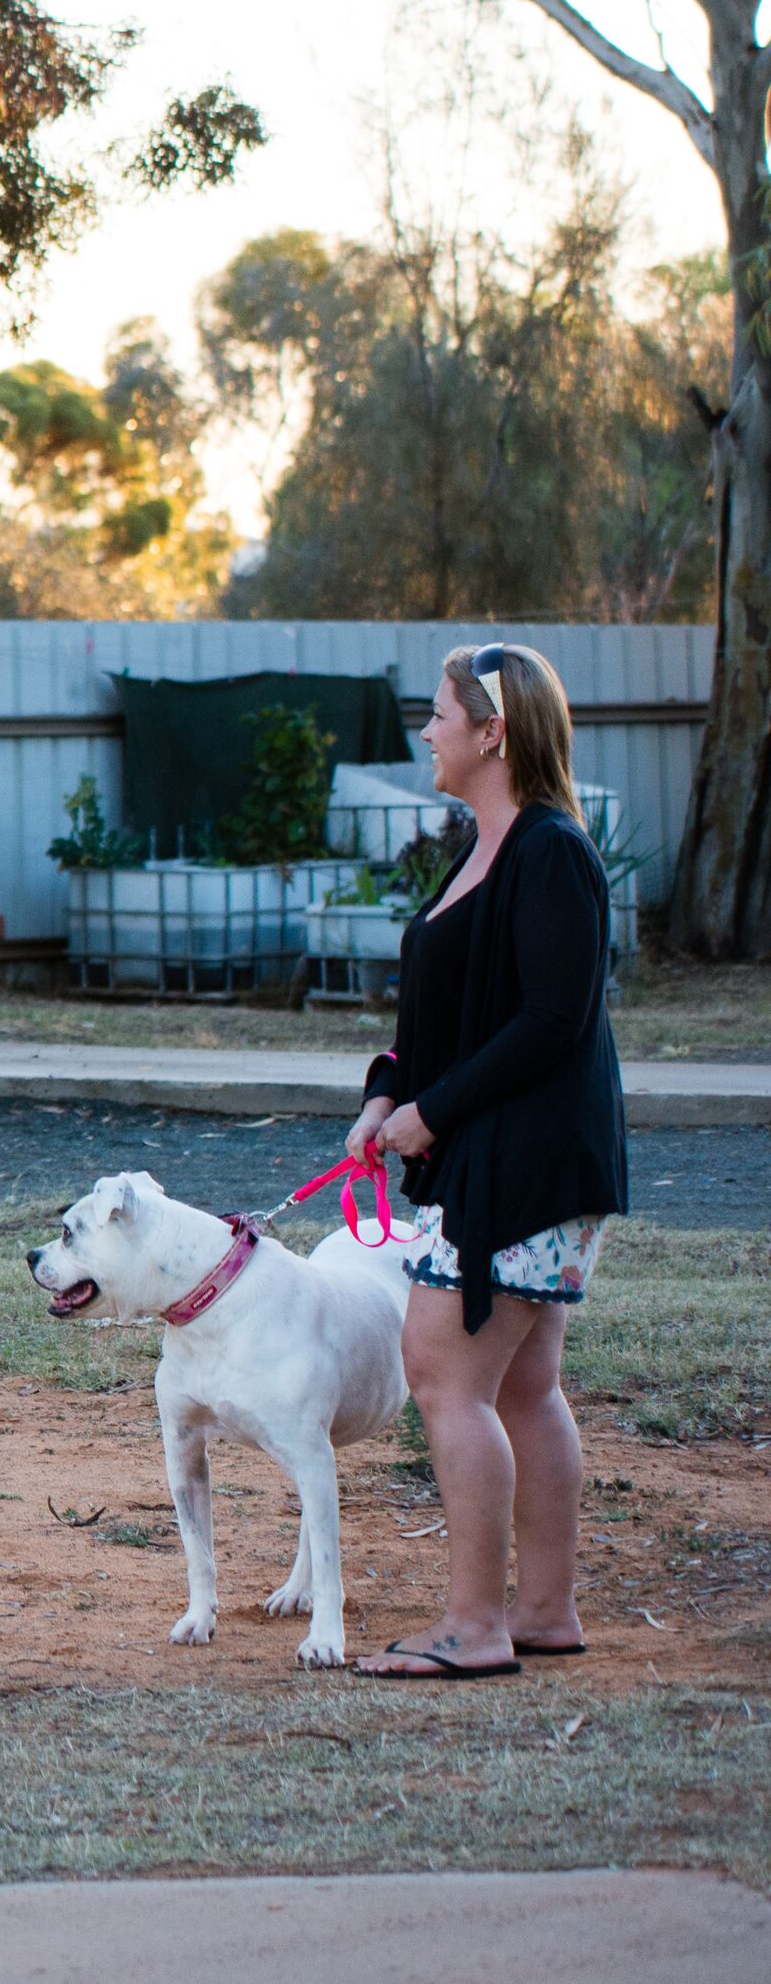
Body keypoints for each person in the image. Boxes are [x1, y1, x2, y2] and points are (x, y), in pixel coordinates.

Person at [346, 642, 627, 1680]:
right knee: (523, 1385)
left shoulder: (550, 852)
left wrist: (433, 1111)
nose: (426, 732)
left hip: (531, 1158)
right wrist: (387, 1094)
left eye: (439, 715)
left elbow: (552, 1021)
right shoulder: (481, 847)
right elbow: (451, 1015)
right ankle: (543, 1612)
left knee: (444, 1370)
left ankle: (474, 1627)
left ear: (491, 733)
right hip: (508, 1151)